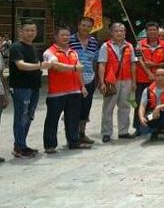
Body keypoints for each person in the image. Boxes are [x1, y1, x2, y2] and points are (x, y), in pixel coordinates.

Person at [43, 27, 91, 153]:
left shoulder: (73, 52)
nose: (65, 37)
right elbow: (56, 66)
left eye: (68, 35)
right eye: (62, 35)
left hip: (74, 91)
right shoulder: (49, 52)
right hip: (57, 92)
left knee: (73, 119)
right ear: (56, 37)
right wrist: (74, 68)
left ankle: (73, 141)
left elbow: (79, 70)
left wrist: (82, 86)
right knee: (52, 120)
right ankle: (50, 145)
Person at [9, 21, 50, 157]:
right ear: (21, 31)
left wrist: (40, 67)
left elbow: (35, 65)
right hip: (21, 87)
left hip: (34, 87)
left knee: (28, 116)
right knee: (21, 117)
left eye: (33, 30)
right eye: (27, 30)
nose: (30, 33)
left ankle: (21, 145)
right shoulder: (16, 47)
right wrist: (40, 66)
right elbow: (20, 65)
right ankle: (19, 147)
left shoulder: (33, 47)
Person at [97, 22, 137, 143]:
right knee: (108, 107)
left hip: (127, 80)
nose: (119, 33)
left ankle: (123, 131)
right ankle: (106, 132)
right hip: (111, 80)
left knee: (125, 106)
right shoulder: (106, 46)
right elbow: (102, 64)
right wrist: (102, 82)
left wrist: (134, 81)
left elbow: (133, 64)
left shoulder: (129, 46)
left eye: (122, 31)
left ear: (125, 33)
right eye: (116, 31)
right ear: (111, 32)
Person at [134, 22, 164, 136]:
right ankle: (138, 127)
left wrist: (154, 65)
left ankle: (156, 127)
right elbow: (139, 60)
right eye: (150, 30)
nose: (152, 32)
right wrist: (149, 72)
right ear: (146, 31)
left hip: (159, 80)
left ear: (158, 31)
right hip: (142, 79)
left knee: (156, 103)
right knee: (140, 103)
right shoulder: (140, 44)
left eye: (154, 30)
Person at [69, 16, 100, 145]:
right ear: (78, 25)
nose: (85, 28)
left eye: (88, 26)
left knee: (85, 108)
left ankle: (82, 133)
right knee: (73, 109)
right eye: (83, 25)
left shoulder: (93, 42)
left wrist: (97, 79)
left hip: (89, 78)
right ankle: (72, 136)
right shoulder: (70, 40)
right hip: (73, 79)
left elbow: (95, 61)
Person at [136, 67, 164, 144]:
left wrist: (159, 107)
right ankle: (154, 130)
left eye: (162, 75)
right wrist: (141, 117)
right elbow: (142, 106)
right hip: (153, 114)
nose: (160, 78)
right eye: (158, 75)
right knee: (148, 118)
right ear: (154, 77)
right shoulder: (148, 90)